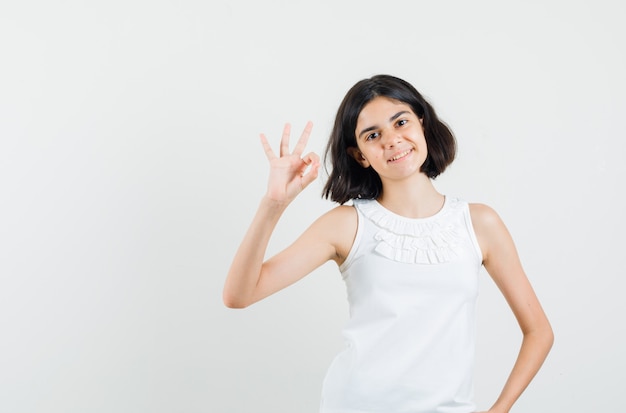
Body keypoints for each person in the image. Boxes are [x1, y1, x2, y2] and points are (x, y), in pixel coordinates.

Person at [223, 74, 553, 413]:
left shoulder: (479, 223)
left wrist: (500, 408)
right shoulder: (347, 225)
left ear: (422, 124)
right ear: (360, 155)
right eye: (373, 135)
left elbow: (539, 332)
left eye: (401, 122)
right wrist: (273, 204)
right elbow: (240, 294)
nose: (393, 140)